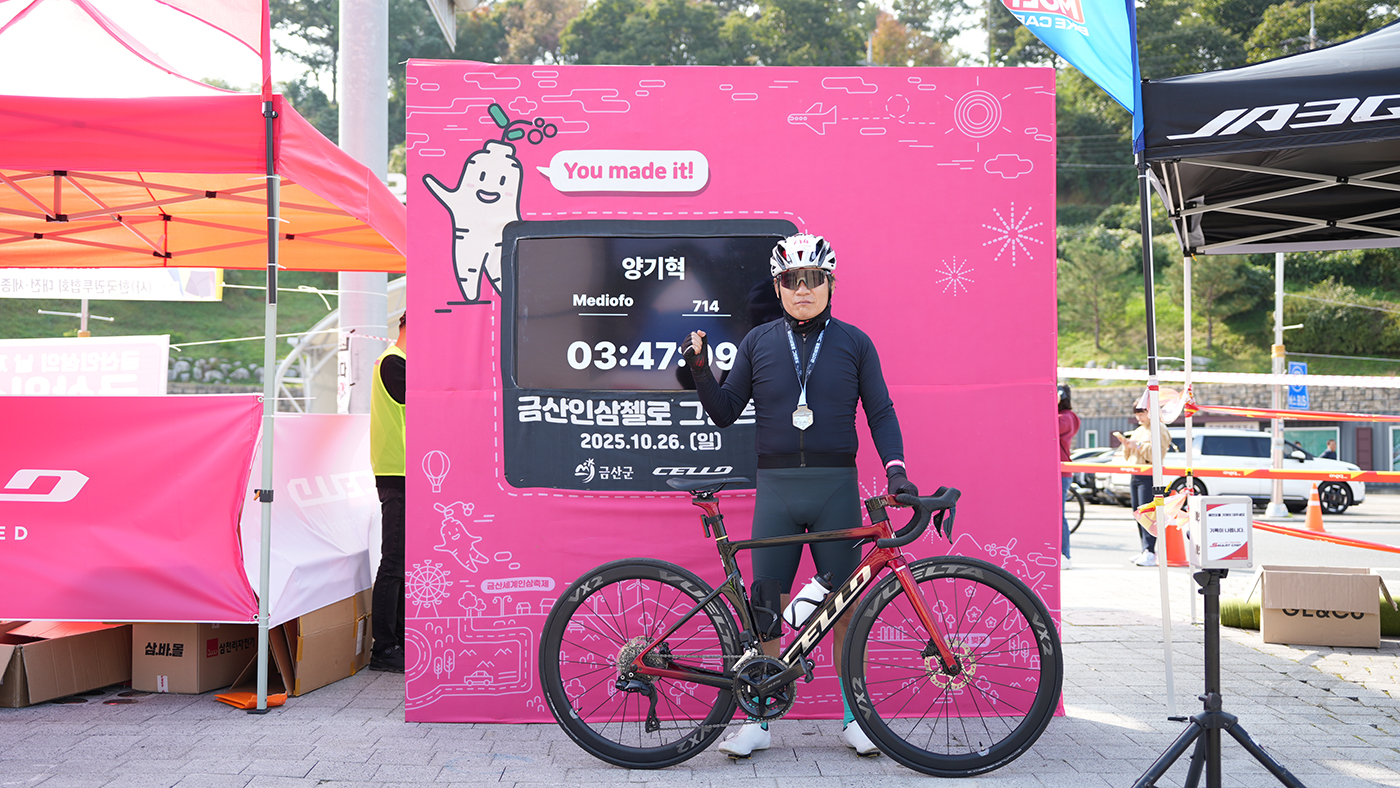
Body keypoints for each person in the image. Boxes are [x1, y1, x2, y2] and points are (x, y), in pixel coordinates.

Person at [683, 233, 917, 759]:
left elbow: (880, 412)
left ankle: (855, 719)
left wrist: (897, 471)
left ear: (830, 284)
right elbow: (723, 412)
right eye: (792, 280)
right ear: (778, 287)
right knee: (766, 607)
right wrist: (699, 369)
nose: (803, 289)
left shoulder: (855, 342)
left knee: (845, 608)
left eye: (813, 279)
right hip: (777, 490)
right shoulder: (758, 341)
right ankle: (758, 722)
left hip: (836, 488)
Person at [369, 313, 407, 672]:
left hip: (406, 471)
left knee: (403, 563)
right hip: (397, 472)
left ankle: (399, 640)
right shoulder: (394, 362)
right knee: (394, 562)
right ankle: (383, 647)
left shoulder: (399, 361)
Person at [1113, 396, 1171, 567]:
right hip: (1136, 473)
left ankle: (1150, 551)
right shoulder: (1139, 430)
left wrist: (1137, 445)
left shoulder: (1159, 428)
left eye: (1141, 413)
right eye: (1136, 413)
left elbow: (1158, 453)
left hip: (1150, 474)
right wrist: (1127, 445)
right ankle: (1145, 549)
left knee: (1148, 514)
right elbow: (1128, 454)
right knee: (1138, 513)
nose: (1138, 417)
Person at [1057, 385, 1080, 569]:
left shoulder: (1065, 418)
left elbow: (1049, 428)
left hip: (1061, 472)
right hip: (1056, 472)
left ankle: (1065, 554)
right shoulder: (1066, 417)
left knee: (1059, 515)